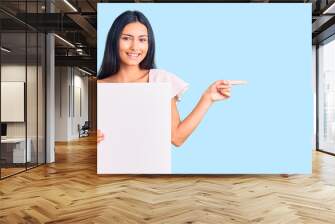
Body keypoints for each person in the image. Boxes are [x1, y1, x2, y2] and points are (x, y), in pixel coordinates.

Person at [97, 10, 237, 147]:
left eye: (142, 40)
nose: (135, 47)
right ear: (114, 41)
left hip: (148, 168)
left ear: (149, 44)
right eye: (126, 38)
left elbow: (176, 138)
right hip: (108, 167)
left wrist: (207, 98)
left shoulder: (159, 79)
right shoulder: (98, 87)